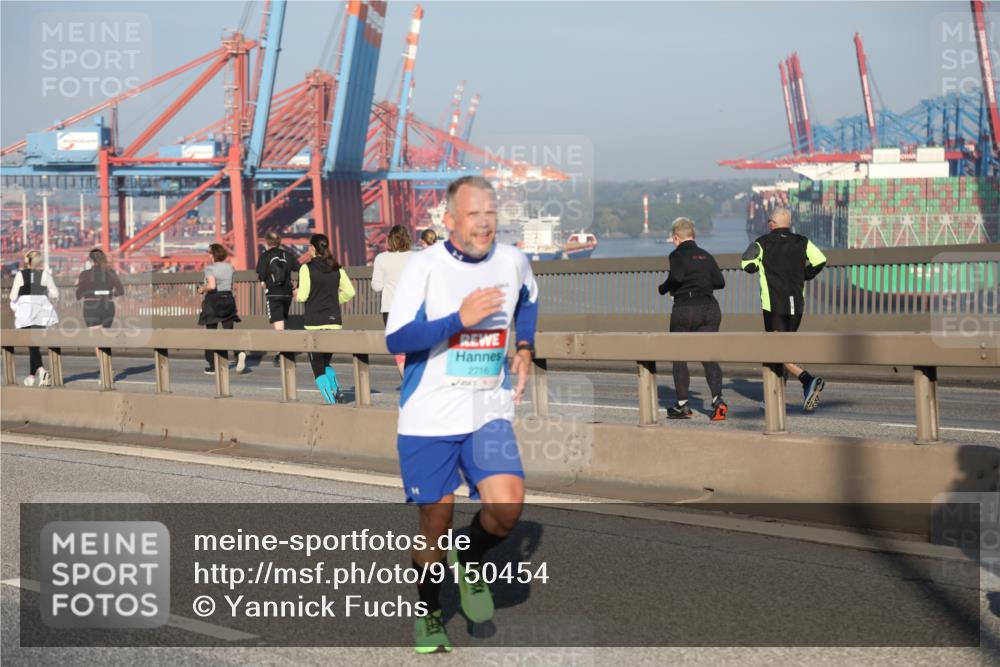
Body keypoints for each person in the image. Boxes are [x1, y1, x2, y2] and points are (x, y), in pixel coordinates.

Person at [386, 175, 538, 654]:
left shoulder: (514, 261)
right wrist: (459, 320)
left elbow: (529, 299)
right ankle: (429, 613)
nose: (483, 222)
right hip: (428, 417)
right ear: (449, 220)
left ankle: (469, 559)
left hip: (486, 409)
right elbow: (397, 339)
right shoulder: (424, 266)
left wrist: (526, 345)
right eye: (473, 214)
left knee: (507, 506)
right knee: (437, 520)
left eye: (489, 212)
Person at [741, 206, 828, 412]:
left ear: (771, 223)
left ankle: (807, 379)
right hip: (796, 305)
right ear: (789, 223)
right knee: (785, 350)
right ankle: (774, 397)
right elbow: (820, 260)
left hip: (774, 305)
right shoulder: (802, 241)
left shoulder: (762, 242)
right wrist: (804, 274)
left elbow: (747, 265)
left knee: (775, 350)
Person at [658, 218, 727, 421]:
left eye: (673, 239)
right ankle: (718, 402)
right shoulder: (706, 255)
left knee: (679, 356)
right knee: (708, 356)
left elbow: (677, 278)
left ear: (676, 237)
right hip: (710, 308)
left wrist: (663, 288)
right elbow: (720, 282)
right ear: (694, 236)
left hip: (686, 309)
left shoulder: (677, 255)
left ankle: (682, 406)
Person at [296, 233, 355, 404]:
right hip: (333, 322)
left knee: (317, 367)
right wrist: (335, 301)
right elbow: (350, 292)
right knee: (326, 362)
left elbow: (303, 296)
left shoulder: (306, 268)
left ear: (313, 248)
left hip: (314, 323)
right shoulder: (337, 268)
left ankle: (331, 402)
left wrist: (296, 294)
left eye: (309, 246)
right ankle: (338, 393)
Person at [9, 249, 59, 386]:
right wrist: (43, 293)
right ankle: (31, 377)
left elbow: (12, 296)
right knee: (34, 344)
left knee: (32, 344)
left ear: (27, 261)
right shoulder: (45, 274)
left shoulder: (20, 275)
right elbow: (55, 293)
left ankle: (42, 371)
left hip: (26, 311)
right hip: (42, 311)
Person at [371, 225, 413, 376]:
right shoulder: (416, 257)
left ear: (390, 240)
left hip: (390, 309)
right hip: (412, 309)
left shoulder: (381, 259)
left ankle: (407, 380)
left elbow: (377, 287)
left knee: (399, 349)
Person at [197, 243, 244, 374]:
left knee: (212, 334)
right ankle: (239, 352)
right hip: (228, 299)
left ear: (212, 255)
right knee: (228, 331)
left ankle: (213, 365)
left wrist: (202, 289)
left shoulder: (209, 269)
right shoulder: (230, 267)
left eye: (209, 252)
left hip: (214, 301)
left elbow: (211, 286)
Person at [255, 231, 300, 367]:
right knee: (282, 321)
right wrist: (297, 286)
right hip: (287, 293)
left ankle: (282, 353)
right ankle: (283, 351)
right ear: (279, 242)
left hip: (273, 293)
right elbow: (301, 269)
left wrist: (264, 282)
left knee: (278, 323)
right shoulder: (287, 255)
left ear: (266, 242)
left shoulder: (265, 256)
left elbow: (261, 276)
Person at [76, 248, 124, 328]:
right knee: (105, 335)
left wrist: (79, 285)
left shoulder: (84, 274)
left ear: (91, 260)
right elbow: (121, 291)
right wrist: (109, 293)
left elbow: (78, 295)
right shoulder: (111, 272)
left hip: (91, 306)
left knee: (95, 337)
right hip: (107, 306)